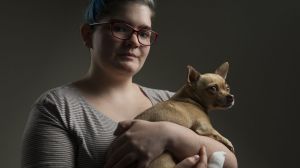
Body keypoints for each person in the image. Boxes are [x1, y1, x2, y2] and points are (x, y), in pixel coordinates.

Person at [21, 0, 237, 167]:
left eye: (144, 33)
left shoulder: (171, 101)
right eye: (121, 28)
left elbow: (228, 161)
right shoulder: (58, 108)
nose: (134, 41)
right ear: (88, 35)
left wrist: (168, 134)